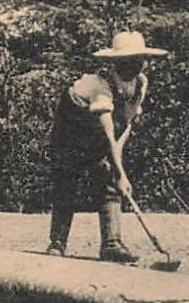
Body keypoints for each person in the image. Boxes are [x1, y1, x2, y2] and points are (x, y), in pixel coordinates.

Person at [46, 30, 168, 262]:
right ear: (116, 62)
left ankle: (111, 244)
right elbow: (107, 131)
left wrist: (119, 170)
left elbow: (124, 126)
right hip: (71, 128)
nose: (134, 66)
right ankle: (57, 243)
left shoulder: (140, 84)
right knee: (67, 181)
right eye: (128, 60)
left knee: (110, 178)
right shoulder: (99, 85)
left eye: (138, 60)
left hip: (104, 129)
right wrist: (120, 172)